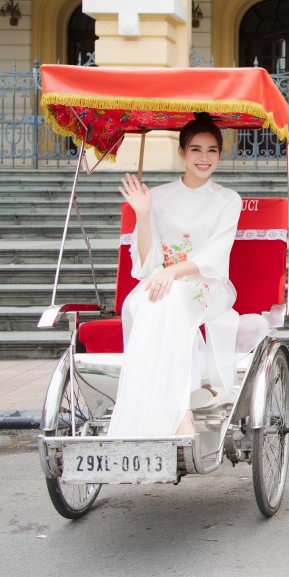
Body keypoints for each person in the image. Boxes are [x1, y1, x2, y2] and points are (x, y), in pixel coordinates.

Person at [107, 114, 244, 438]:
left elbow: (214, 256)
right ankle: (178, 412)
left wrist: (172, 272)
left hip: (208, 287)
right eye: (196, 149)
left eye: (212, 150)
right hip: (161, 283)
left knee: (171, 298)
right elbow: (147, 262)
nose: (204, 158)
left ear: (220, 155)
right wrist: (142, 214)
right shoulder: (158, 197)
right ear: (181, 152)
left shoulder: (228, 200)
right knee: (149, 301)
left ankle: (176, 413)